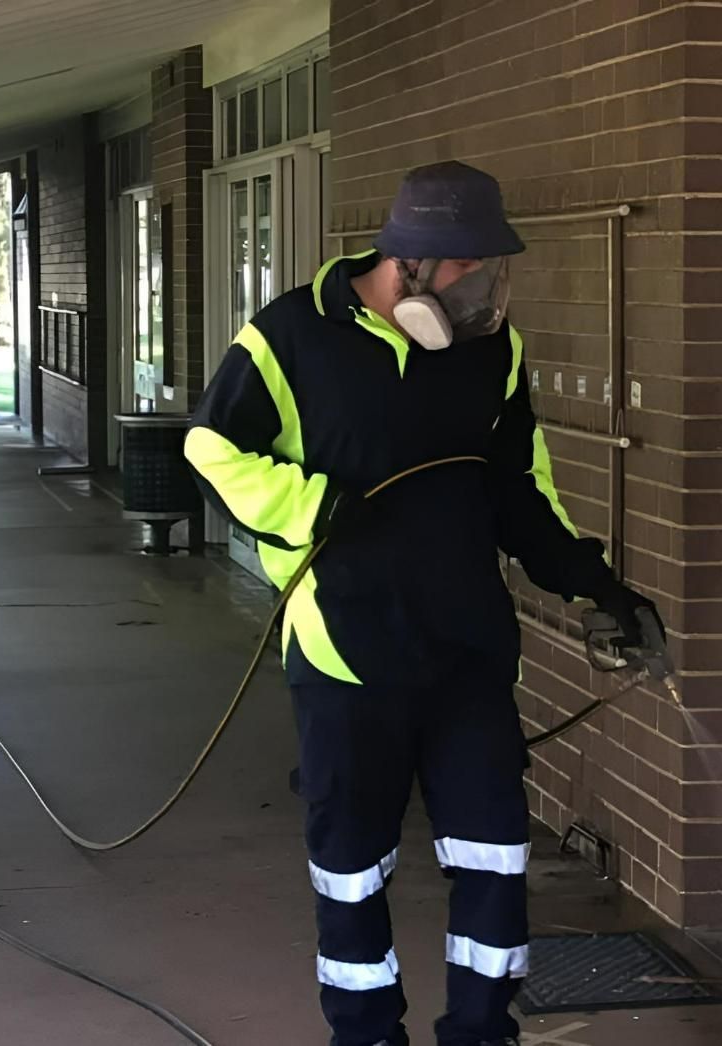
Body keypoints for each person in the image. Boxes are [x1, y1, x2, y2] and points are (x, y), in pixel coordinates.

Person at [184, 161, 661, 1046]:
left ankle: (482, 1032)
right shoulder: (289, 336)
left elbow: (523, 493)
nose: (484, 288)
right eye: (467, 270)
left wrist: (600, 585)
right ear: (407, 267)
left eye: (491, 267)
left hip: (469, 648)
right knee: (353, 867)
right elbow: (213, 449)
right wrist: (313, 503)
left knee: (495, 855)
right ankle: (365, 1032)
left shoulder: (493, 351)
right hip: (345, 648)